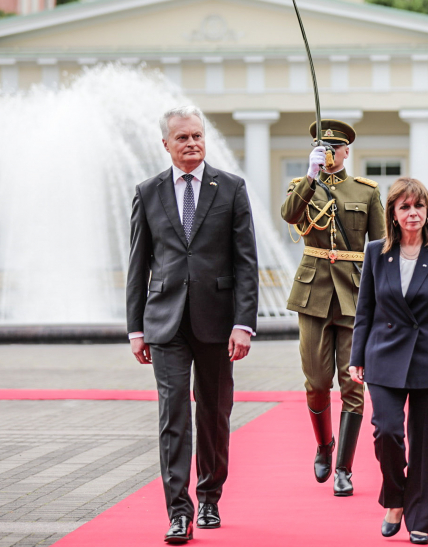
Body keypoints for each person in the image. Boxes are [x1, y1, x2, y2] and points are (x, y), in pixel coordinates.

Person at [126, 105, 259, 544]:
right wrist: (135, 328)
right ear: (165, 143)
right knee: (174, 416)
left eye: (198, 136)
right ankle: (178, 512)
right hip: (164, 322)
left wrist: (244, 324)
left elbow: (246, 263)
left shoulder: (232, 189)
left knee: (215, 414)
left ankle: (209, 497)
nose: (192, 144)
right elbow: (137, 266)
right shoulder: (147, 192)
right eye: (182, 137)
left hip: (219, 325)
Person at [348, 177, 428, 545]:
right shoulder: (376, 252)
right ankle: (394, 495)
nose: (413, 213)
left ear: (427, 211)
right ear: (393, 213)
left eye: (419, 206)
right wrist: (356, 355)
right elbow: (365, 310)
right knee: (387, 431)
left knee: (424, 444)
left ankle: (421, 519)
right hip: (383, 356)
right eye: (405, 207)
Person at [280, 119, 386, 496]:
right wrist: (309, 177)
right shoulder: (303, 187)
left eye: (332, 150)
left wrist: (383, 301)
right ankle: (324, 444)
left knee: (352, 384)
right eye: (320, 150)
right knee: (316, 382)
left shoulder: (367, 191)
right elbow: (289, 215)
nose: (326, 156)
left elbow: (381, 249)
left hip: (354, 295)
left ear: (345, 152)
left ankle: (344, 467)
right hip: (313, 294)